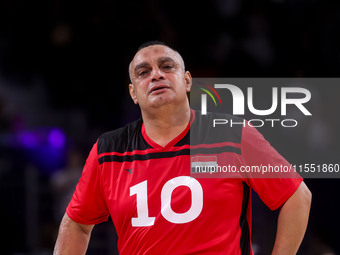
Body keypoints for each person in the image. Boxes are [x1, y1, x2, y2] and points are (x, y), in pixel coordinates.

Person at [53, 41, 311, 255]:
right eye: (144, 72)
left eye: (167, 66)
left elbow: (297, 196)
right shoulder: (107, 150)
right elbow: (77, 224)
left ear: (187, 80)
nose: (156, 74)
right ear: (133, 93)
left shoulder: (233, 134)